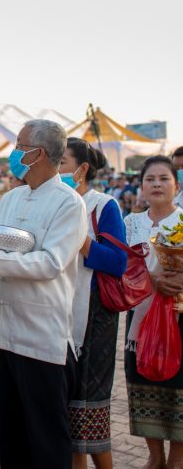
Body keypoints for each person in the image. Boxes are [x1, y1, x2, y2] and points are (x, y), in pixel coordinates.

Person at [0, 119, 87, 469]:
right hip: (2, 331)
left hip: (40, 336)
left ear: (37, 153)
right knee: (10, 436)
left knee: (46, 441)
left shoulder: (69, 204)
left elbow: (51, 262)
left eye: (19, 145)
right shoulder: (10, 198)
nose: (13, 152)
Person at [59, 137, 127, 468]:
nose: (55, 169)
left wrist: (82, 241)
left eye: (61, 163)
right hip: (59, 312)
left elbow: (117, 262)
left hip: (94, 315)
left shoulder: (103, 206)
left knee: (89, 403)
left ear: (82, 169)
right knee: (68, 406)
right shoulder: (54, 203)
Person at [124, 155, 183, 469]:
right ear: (142, 186)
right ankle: (155, 455)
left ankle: (177, 459)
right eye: (150, 179)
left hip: (179, 315)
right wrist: (151, 279)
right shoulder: (131, 223)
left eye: (164, 179)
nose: (157, 184)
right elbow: (122, 267)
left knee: (178, 386)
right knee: (142, 380)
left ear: (176, 186)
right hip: (140, 317)